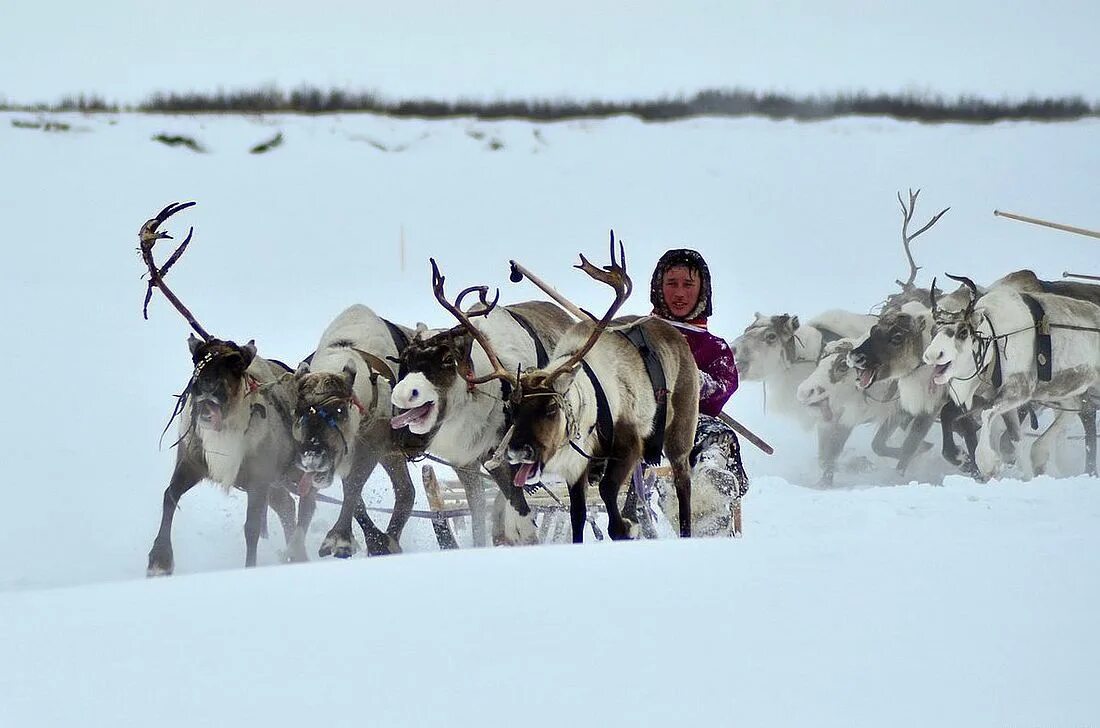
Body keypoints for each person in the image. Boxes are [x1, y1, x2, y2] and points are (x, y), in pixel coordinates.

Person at [649, 248, 749, 507]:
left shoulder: (714, 347)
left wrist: (690, 380)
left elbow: (724, 385)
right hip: (641, 421)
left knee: (715, 434)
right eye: (671, 284)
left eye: (688, 285)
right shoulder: (639, 334)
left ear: (702, 290)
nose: (679, 293)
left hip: (689, 424)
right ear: (659, 287)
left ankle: (711, 477)